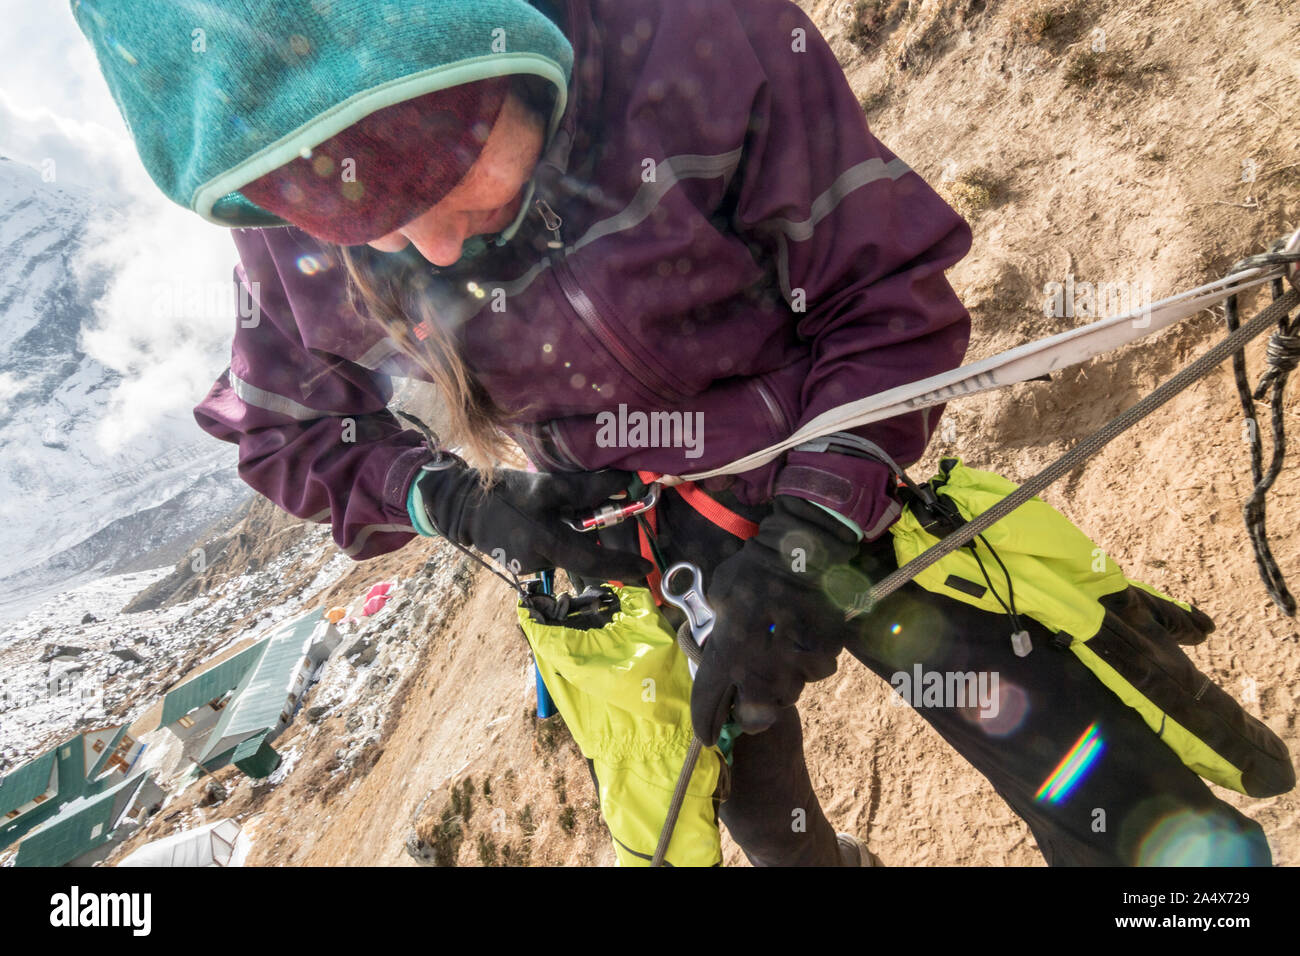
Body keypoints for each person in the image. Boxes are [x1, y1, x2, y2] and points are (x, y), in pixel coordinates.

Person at [75, 0, 1279, 866]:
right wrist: (462, 499)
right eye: (373, 234)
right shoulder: (291, 204)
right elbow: (288, 433)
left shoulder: (694, 36)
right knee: (760, 817)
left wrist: (811, 528)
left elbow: (881, 299)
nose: (431, 253)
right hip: (654, 546)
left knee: (1079, 761)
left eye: (449, 188)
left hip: (829, 467)